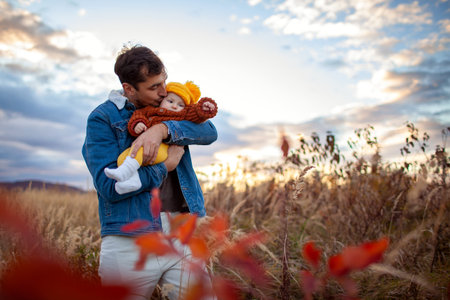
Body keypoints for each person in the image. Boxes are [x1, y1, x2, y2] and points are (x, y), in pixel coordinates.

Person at [82, 45, 218, 300]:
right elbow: (108, 186)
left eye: (163, 82)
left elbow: (209, 131)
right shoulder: (103, 118)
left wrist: (162, 129)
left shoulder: (171, 107)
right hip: (130, 241)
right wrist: (163, 168)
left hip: (181, 233)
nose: (164, 91)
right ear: (129, 88)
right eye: (154, 87)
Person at [104, 81, 217, 194]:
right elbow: (138, 115)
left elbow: (197, 115)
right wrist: (138, 124)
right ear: (162, 100)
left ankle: (126, 172)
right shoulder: (151, 110)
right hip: (145, 145)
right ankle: (131, 180)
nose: (174, 106)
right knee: (123, 158)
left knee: (138, 151)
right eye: (170, 101)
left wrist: (205, 108)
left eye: (180, 105)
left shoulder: (182, 115)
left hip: (163, 148)